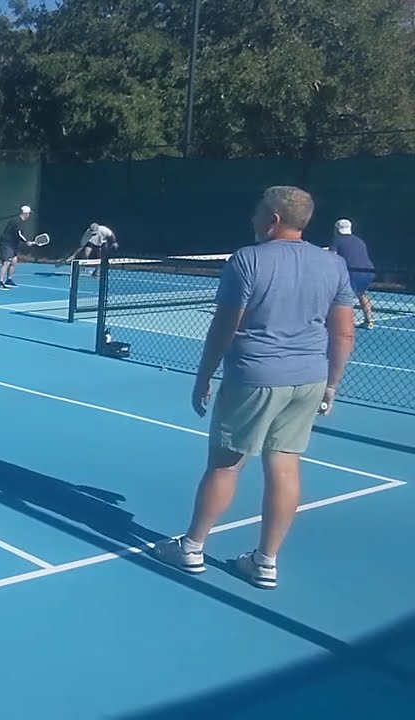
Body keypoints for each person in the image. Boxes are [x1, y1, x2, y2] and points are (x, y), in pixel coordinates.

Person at [152, 186, 356, 590]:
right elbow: (344, 333)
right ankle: (265, 562)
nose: (253, 219)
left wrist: (204, 375)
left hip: (255, 377)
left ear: (273, 219)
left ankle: (191, 548)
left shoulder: (247, 259)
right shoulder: (333, 265)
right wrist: (332, 385)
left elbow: (224, 326)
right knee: (285, 465)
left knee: (226, 464)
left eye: (258, 212)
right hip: (309, 380)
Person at [329, 218, 377, 330]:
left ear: (336, 230)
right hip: (369, 272)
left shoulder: (336, 241)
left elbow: (332, 257)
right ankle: (369, 320)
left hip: (353, 272)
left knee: (343, 297)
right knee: (362, 294)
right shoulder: (359, 241)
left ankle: (345, 322)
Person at [0, 205, 32, 289]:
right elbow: (18, 234)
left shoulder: (22, 222)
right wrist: (26, 242)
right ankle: (0, 282)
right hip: (6, 243)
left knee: (14, 261)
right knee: (6, 262)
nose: (29, 215)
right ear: (26, 213)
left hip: (13, 244)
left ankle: (9, 280)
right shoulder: (16, 221)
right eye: (29, 213)